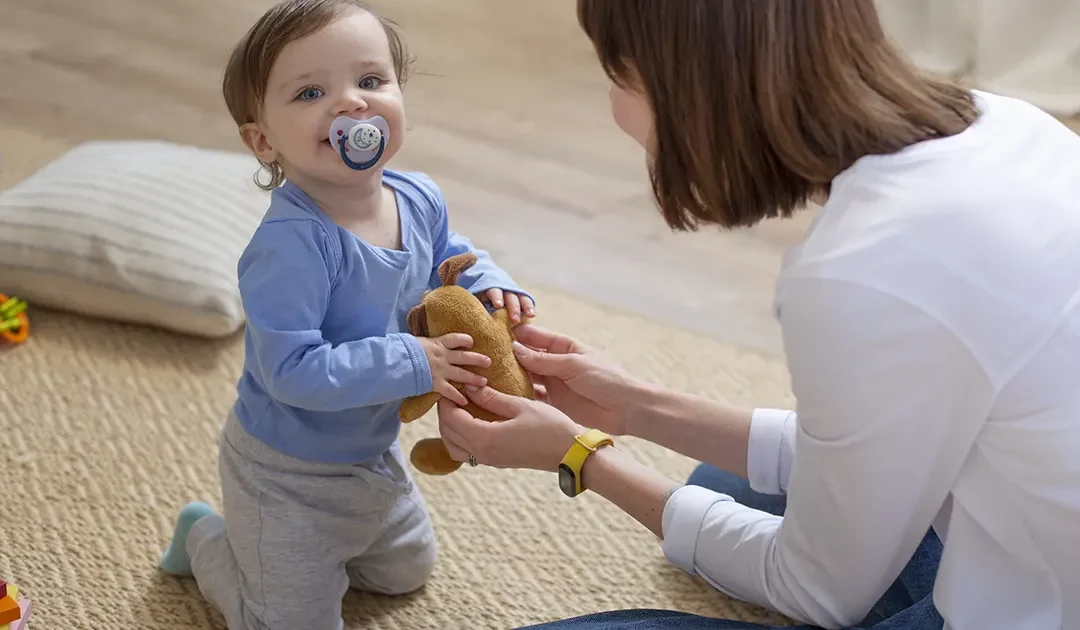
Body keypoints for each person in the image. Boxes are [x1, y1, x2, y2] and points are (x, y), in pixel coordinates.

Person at [436, 1, 1080, 629]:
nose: (613, 106)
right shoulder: (1005, 122)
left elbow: (816, 591)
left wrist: (581, 456)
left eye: (616, 72)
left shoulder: (859, 273)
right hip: (1035, 540)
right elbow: (893, 432)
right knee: (726, 481)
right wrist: (638, 406)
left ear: (685, 88)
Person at [155, 1, 535, 628]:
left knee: (404, 574)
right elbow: (293, 370)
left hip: (370, 452)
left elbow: (452, 257)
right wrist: (415, 360)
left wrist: (492, 286)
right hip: (285, 476)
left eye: (370, 81)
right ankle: (208, 542)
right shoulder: (290, 247)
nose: (351, 105)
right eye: (311, 91)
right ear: (263, 140)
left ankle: (322, 551)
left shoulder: (417, 196)